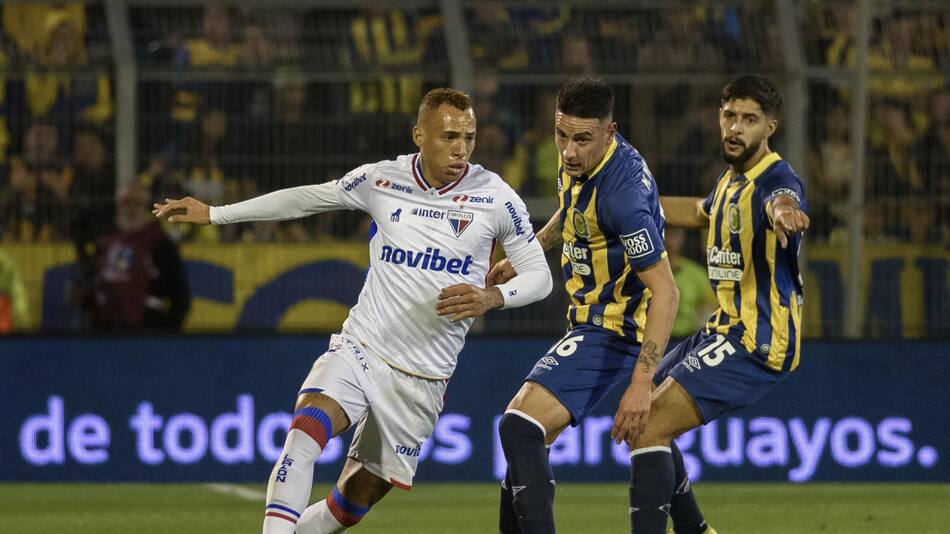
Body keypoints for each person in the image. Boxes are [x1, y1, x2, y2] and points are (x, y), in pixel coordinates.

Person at [153, 88, 553, 534]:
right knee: (307, 429)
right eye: (448, 136)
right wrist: (216, 214)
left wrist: (492, 298)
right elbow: (306, 198)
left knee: (351, 504)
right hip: (363, 346)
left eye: (469, 137)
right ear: (419, 135)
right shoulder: (382, 180)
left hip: (423, 378)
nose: (461, 148)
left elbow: (539, 277)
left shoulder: (496, 198)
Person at [486, 77, 680, 533]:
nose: (569, 151)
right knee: (524, 451)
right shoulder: (583, 158)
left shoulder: (623, 196)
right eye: (561, 135)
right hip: (590, 321)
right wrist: (530, 251)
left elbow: (667, 292)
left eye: (582, 140)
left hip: (615, 330)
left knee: (518, 428)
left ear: (610, 132)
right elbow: (573, 210)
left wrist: (641, 381)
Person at [633, 74, 809, 533]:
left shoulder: (775, 178)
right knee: (639, 410)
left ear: (770, 128)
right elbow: (697, 211)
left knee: (648, 422)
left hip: (758, 338)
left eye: (749, 120)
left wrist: (785, 212)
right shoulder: (731, 182)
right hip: (723, 329)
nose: (736, 128)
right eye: (730, 116)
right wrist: (623, 204)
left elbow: (781, 200)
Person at [84, 182, 191, 331]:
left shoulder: (161, 245)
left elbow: (180, 296)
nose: (131, 208)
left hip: (148, 332)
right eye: (126, 202)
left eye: (137, 203)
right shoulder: (103, 243)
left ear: (146, 207)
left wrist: (168, 335)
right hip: (105, 331)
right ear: (118, 205)